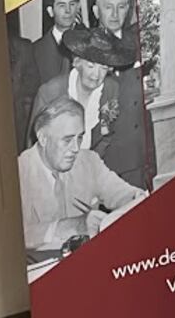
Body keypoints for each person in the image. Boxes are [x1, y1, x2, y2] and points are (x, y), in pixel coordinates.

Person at [17, 99, 145, 264]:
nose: (76, 148)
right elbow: (12, 237)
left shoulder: (89, 161)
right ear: (42, 138)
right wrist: (73, 226)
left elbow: (123, 193)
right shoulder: (16, 173)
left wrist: (137, 198)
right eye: (67, 139)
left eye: (80, 138)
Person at [29, 22, 127, 155]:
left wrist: (91, 163)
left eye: (103, 67)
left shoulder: (111, 89)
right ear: (77, 63)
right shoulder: (50, 92)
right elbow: (35, 143)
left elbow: (107, 135)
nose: (96, 75)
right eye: (91, 66)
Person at [89, 0, 151, 189]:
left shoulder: (140, 41)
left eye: (121, 6)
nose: (115, 14)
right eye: (108, 7)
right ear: (97, 11)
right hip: (111, 160)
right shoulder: (84, 49)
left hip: (146, 154)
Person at [9, 0, 85, 146]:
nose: (68, 11)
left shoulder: (93, 45)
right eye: (61, 5)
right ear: (50, 11)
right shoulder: (33, 51)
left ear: (79, 6)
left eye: (72, 4)